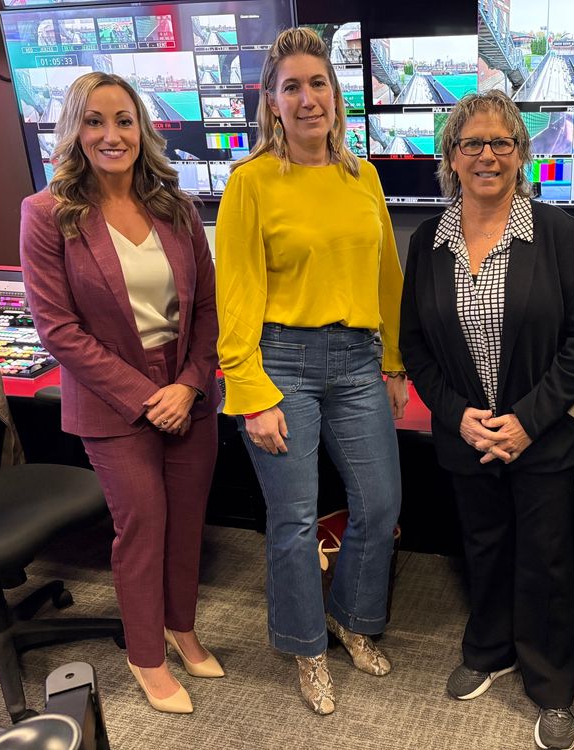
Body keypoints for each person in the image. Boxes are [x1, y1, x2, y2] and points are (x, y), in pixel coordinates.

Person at [215, 27, 406, 717]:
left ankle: (351, 616)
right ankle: (306, 648)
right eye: (290, 86)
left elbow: (387, 274)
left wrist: (392, 361)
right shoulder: (250, 183)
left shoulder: (365, 179)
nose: (307, 98)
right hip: (281, 362)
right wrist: (248, 391)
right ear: (271, 102)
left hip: (357, 360)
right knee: (294, 519)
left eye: (317, 83)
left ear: (336, 96)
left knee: (380, 503)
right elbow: (234, 293)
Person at [399, 90, 574, 750]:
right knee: (483, 548)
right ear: (450, 157)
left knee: (545, 558)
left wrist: (526, 422)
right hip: (467, 438)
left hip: (541, 438)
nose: (487, 155)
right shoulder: (428, 240)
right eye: (471, 144)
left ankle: (552, 685)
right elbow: (415, 346)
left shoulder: (558, 233)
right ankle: (488, 649)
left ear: (521, 155)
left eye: (501, 143)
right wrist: (459, 418)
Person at [19, 72, 222, 715]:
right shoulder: (46, 213)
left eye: (125, 120)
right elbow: (58, 330)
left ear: (143, 127)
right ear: (75, 131)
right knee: (143, 525)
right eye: (96, 121)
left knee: (187, 523)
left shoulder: (176, 206)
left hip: (188, 390)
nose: (113, 134)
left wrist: (188, 385)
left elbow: (210, 309)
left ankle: (180, 627)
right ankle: (146, 655)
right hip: (112, 400)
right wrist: (146, 396)